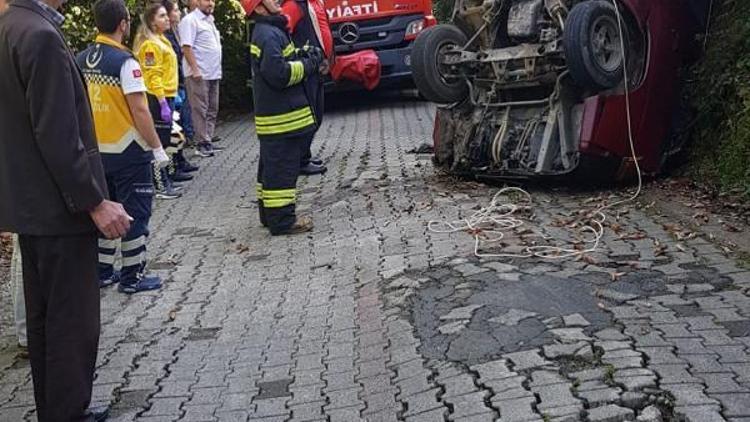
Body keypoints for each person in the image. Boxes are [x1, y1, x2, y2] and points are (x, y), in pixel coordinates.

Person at [0, 0, 132, 420]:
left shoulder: (11, 27)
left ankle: (55, 409)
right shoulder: (39, 37)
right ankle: (67, 412)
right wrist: (94, 201)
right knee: (71, 324)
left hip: (33, 207)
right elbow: (58, 134)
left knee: (44, 321)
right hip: (62, 209)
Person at [77, 0, 169, 294]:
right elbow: (140, 111)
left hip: (95, 153)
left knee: (107, 212)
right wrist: (157, 148)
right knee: (135, 213)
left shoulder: (80, 59)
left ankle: (103, 271)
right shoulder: (125, 62)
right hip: (129, 151)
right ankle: (133, 275)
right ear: (124, 24)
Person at [243, 0, 323, 235]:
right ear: (258, 8)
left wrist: (303, 53)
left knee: (271, 170)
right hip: (283, 121)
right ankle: (283, 221)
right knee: (282, 173)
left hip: (278, 121)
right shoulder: (267, 34)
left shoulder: (269, 31)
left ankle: (269, 215)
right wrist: (309, 64)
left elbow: (281, 60)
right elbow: (279, 74)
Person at [134, 2, 183, 199]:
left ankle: (166, 180)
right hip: (157, 97)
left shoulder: (162, 39)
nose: (167, 19)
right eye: (162, 16)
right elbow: (152, 75)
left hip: (169, 94)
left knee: (167, 139)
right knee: (159, 143)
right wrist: (162, 101)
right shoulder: (150, 45)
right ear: (153, 22)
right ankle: (160, 185)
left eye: (166, 15)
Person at [280, 0, 333, 175]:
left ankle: (304, 155)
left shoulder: (311, 3)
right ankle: (300, 160)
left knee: (316, 113)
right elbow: (284, 33)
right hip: (306, 68)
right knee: (310, 115)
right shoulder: (294, 6)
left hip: (315, 65)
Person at [179, 0, 224, 157]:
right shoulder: (190, 20)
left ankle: (208, 140)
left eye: (213, 1)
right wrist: (195, 69)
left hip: (213, 72)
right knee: (200, 109)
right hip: (199, 74)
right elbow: (186, 47)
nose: (211, 3)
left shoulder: (210, 21)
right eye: (207, 0)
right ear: (197, 2)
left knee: (212, 107)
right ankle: (201, 143)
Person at [163, 0, 200, 177]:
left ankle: (179, 160)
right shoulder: (164, 38)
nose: (179, 13)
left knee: (178, 128)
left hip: (178, 85)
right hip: (171, 89)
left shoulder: (173, 33)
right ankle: (173, 166)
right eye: (176, 10)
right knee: (174, 128)